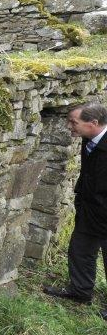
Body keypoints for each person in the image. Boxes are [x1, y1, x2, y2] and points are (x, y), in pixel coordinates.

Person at [43, 102, 107, 320]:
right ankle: (80, 292)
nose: (69, 126)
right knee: (80, 250)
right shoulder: (89, 140)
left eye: (73, 122)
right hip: (89, 209)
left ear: (93, 123)